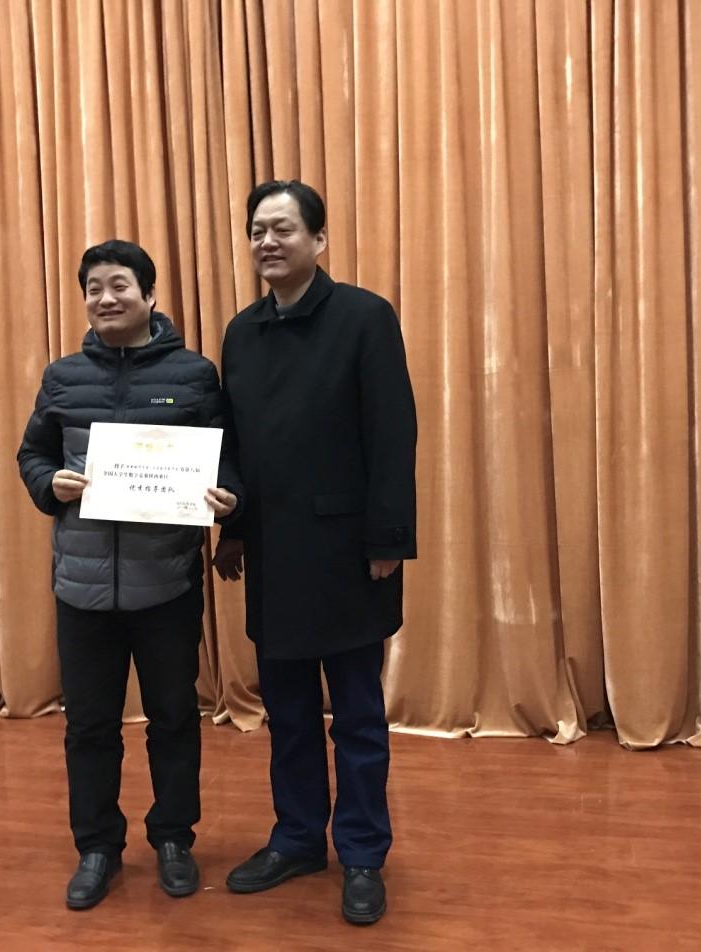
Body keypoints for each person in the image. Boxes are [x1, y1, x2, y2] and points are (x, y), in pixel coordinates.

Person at [214, 181, 417, 925]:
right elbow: (232, 443)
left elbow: (392, 434)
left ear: (319, 240)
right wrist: (233, 528)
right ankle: (297, 838)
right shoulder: (241, 332)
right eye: (257, 231)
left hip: (348, 554)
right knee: (288, 714)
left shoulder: (364, 317)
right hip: (273, 556)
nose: (267, 242)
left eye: (284, 229)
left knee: (356, 716)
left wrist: (388, 540)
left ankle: (362, 853)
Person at [17, 239, 240, 910]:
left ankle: (173, 838)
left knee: (173, 718)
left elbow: (226, 457)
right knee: (89, 726)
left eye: (119, 285)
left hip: (166, 583)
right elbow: (33, 454)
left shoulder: (193, 374)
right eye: (93, 288)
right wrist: (48, 484)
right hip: (81, 588)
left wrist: (226, 494)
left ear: (149, 295)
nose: (105, 298)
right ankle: (97, 847)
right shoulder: (62, 377)